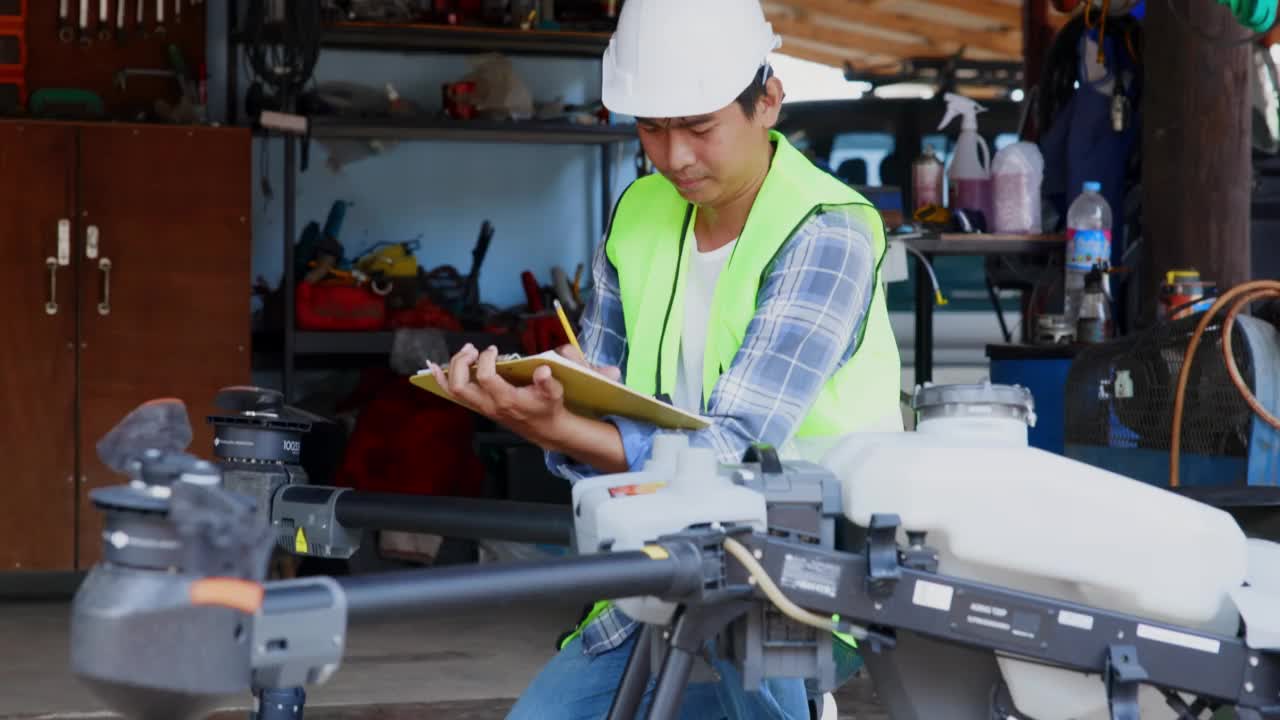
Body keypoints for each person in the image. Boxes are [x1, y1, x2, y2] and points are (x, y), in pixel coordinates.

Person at [425, 0, 903, 716]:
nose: (674, 156)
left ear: (767, 100)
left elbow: (737, 452)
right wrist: (557, 399)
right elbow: (605, 401)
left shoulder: (825, 232)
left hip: (797, 570)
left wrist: (562, 431)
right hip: (662, 552)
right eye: (652, 128)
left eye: (700, 127)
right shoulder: (640, 212)